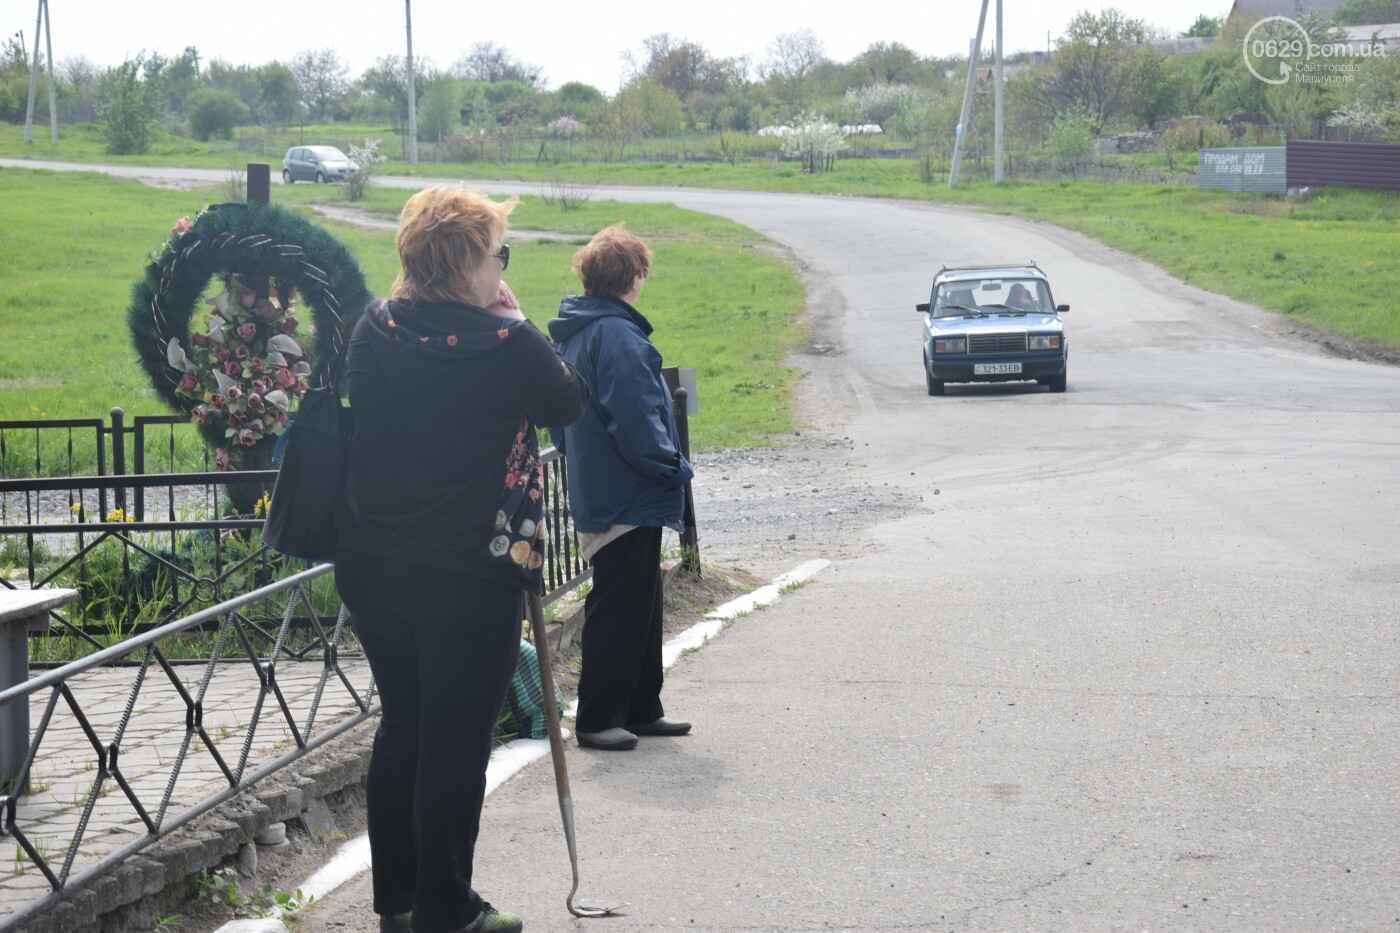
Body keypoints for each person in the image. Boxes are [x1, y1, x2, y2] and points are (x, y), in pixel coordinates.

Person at [335, 186, 589, 933]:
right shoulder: (507, 343)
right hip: (467, 574)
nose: (501, 268)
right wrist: (516, 319)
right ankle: (449, 910)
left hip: (374, 562)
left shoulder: (373, 328)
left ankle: (402, 904)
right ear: (465, 265)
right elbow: (568, 403)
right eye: (496, 255)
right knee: (453, 742)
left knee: (403, 728)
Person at [548, 224, 694, 752]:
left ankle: (639, 706)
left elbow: (560, 419)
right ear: (632, 277)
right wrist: (673, 468)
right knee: (620, 604)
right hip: (627, 489)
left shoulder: (576, 332)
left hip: (602, 482)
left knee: (641, 600)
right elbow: (637, 420)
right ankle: (598, 717)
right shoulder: (618, 336)